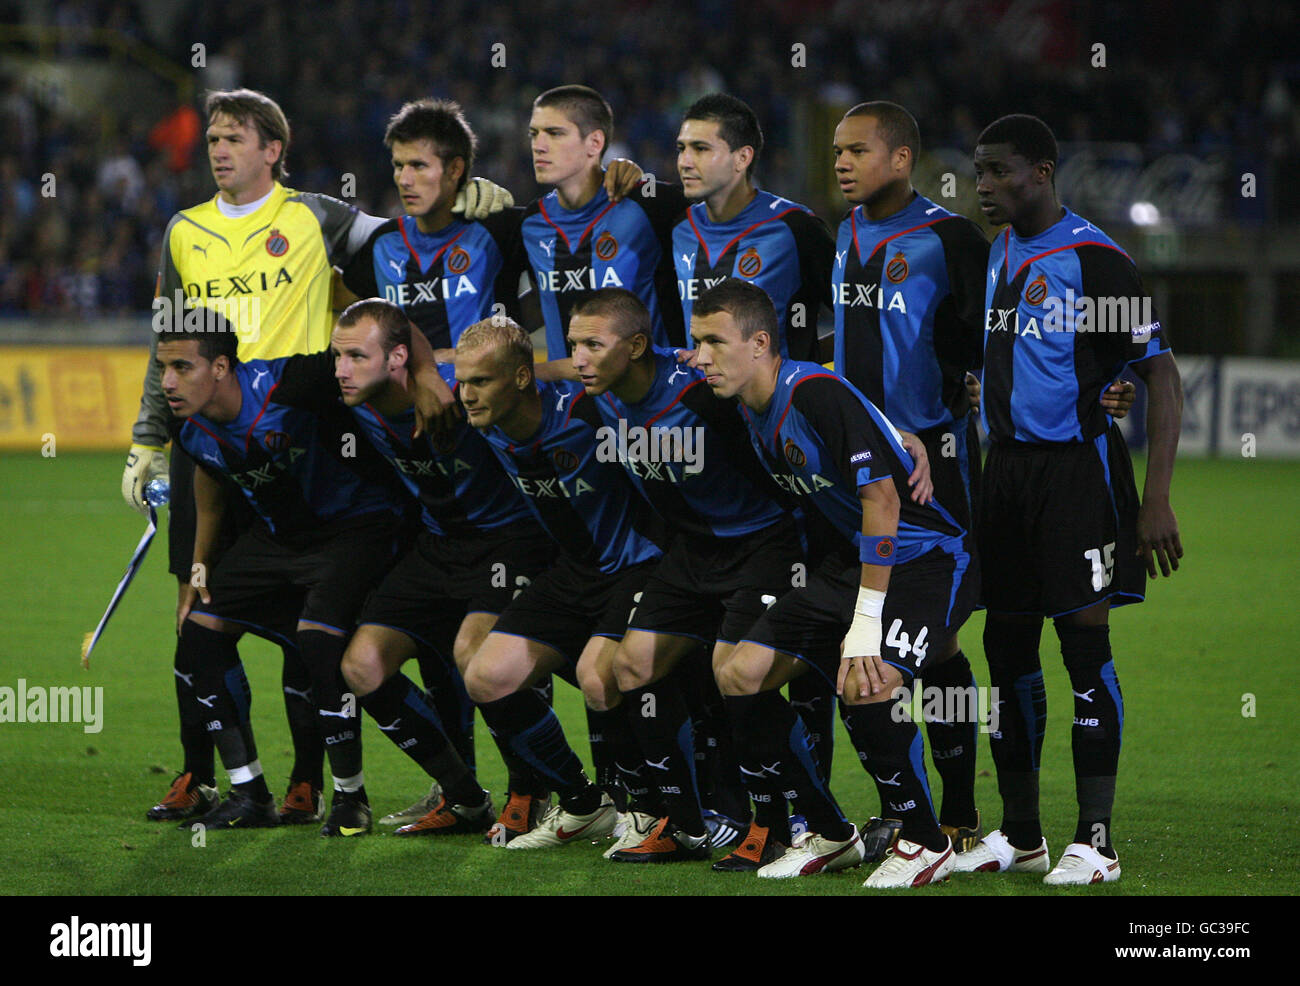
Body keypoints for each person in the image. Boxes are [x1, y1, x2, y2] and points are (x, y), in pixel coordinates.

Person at [126, 88, 504, 824]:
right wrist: (148, 438)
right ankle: (202, 776)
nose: (219, 149)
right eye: (212, 139)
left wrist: (465, 203)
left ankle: (316, 785)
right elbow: (166, 341)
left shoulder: (318, 215)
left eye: (235, 137)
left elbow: (406, 240)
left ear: (274, 149)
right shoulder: (183, 230)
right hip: (210, 436)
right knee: (195, 609)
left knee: (321, 628)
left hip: (303, 427)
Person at [954, 114, 1182, 885]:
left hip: (1078, 479)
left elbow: (1161, 374)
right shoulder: (1000, 250)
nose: (983, 185)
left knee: (1083, 652)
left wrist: (1155, 503)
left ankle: (1098, 839)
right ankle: (1021, 835)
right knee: (1005, 651)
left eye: (998, 171)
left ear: (1043, 172)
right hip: (1006, 478)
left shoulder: (1094, 259)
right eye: (978, 172)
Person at [693, 279, 978, 888]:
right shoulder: (751, 398)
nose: (702, 357)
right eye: (697, 343)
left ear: (760, 343)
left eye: (715, 342)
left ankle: (927, 842)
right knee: (738, 674)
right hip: (851, 561)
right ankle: (829, 831)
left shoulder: (813, 393)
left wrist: (865, 623)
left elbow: (883, 503)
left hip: (926, 557)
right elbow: (639, 352)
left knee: (866, 681)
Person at [275, 298, 556, 840]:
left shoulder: (461, 385)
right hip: (436, 545)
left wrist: (431, 370)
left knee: (475, 658)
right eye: (338, 356)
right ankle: (465, 797)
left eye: (357, 356)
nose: (341, 369)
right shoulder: (349, 395)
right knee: (362, 668)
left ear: (398, 357)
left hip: (507, 540)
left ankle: (532, 790)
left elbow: (542, 376)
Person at [566, 287, 804, 865]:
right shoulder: (595, 404)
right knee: (631, 666)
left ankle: (789, 817)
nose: (579, 359)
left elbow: (795, 395)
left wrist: (899, 437)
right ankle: (687, 825)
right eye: (573, 345)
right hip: (688, 555)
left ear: (639, 346)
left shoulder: (706, 395)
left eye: (593, 345)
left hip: (762, 544)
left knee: (744, 679)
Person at [156, 320, 405, 835]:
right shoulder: (185, 423)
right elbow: (209, 473)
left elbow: (372, 361)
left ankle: (350, 798)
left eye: (181, 367)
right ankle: (249, 794)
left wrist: (427, 375)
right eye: (163, 368)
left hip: (351, 528)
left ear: (221, 367)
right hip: (276, 541)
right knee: (198, 637)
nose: (167, 382)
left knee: (317, 647)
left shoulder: (293, 383)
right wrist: (198, 565)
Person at [672, 93, 839, 841]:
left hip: (785, 437)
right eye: (679, 147)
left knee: (790, 629)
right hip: (711, 445)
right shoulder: (671, 227)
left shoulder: (797, 229)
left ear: (741, 157)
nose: (683, 161)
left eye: (701, 148)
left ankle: (812, 807)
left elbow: (840, 326)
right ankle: (737, 806)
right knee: (722, 643)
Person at [444, 317, 666, 850]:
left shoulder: (590, 411)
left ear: (521, 379)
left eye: (480, 382)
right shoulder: (486, 423)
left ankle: (649, 811)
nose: (465, 395)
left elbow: (655, 371)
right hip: (572, 571)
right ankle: (583, 803)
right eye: (461, 381)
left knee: (597, 675)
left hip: (637, 565)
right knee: (486, 677)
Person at [521, 85, 689, 366]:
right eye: (534, 133)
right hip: (571, 405)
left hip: (650, 402)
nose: (539, 145)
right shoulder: (531, 222)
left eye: (555, 133)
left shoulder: (647, 205)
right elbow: (538, 301)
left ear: (595, 143)